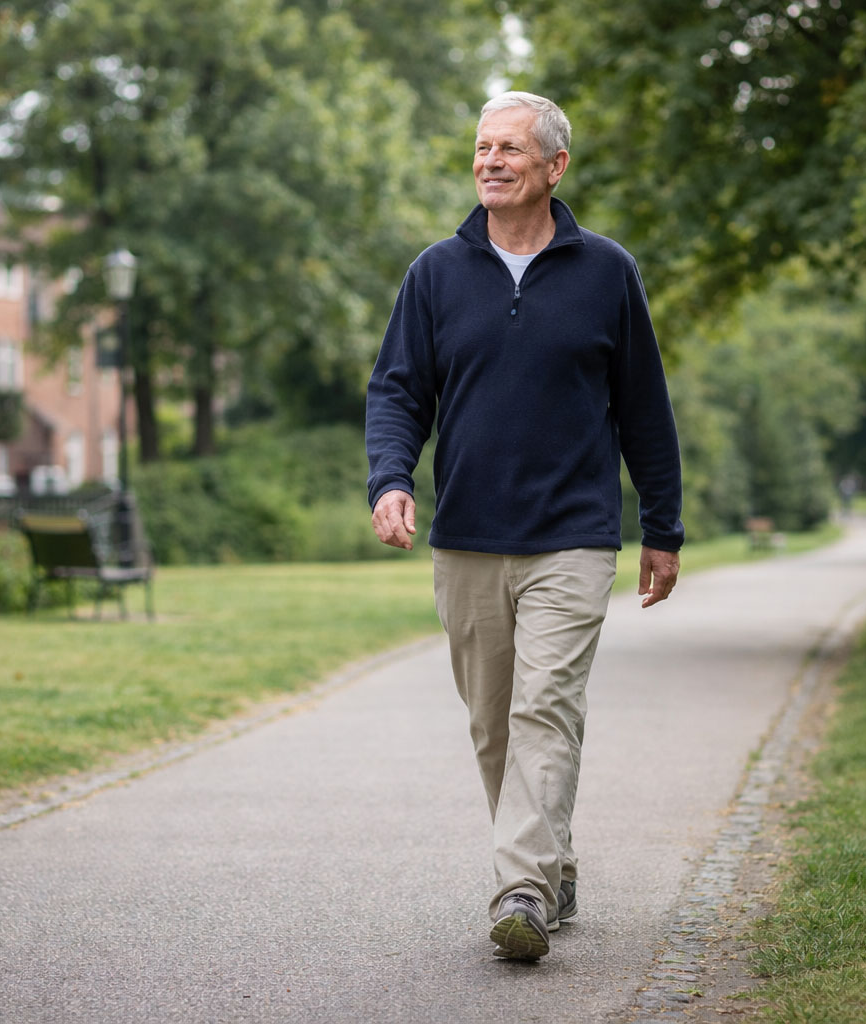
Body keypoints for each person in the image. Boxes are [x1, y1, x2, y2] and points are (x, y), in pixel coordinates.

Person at [365, 91, 683, 961]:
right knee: (495, 723)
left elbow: (644, 410)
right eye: (481, 147)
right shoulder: (435, 273)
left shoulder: (607, 272)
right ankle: (553, 862)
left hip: (573, 537)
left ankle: (521, 893)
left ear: (555, 166)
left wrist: (664, 525)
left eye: (510, 148)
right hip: (467, 535)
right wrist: (390, 479)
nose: (491, 161)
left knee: (546, 707)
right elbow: (398, 391)